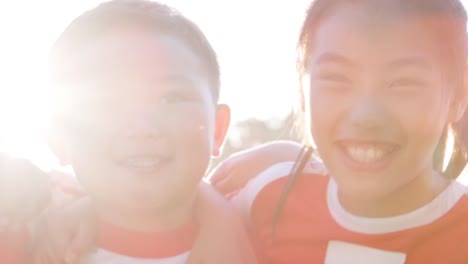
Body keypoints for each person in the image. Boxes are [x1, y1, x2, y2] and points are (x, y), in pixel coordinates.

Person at [213, 0, 468, 263]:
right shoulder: (266, 200)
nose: (365, 115)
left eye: (403, 83)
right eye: (337, 78)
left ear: (458, 96)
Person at [36, 0, 255, 263]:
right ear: (59, 138)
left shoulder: (268, 225)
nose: (141, 128)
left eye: (171, 98)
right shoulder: (28, 239)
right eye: (107, 103)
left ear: (217, 129)